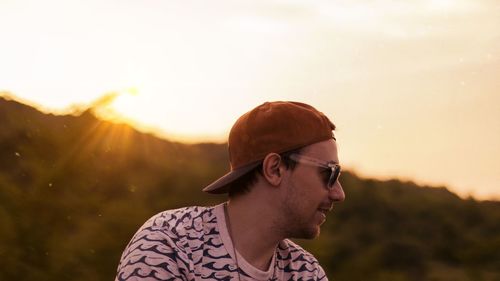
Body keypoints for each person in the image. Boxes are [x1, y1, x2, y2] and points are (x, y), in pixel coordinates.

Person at [115, 101, 345, 280]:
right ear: (275, 169)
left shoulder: (305, 272)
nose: (339, 193)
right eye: (330, 174)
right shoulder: (171, 242)